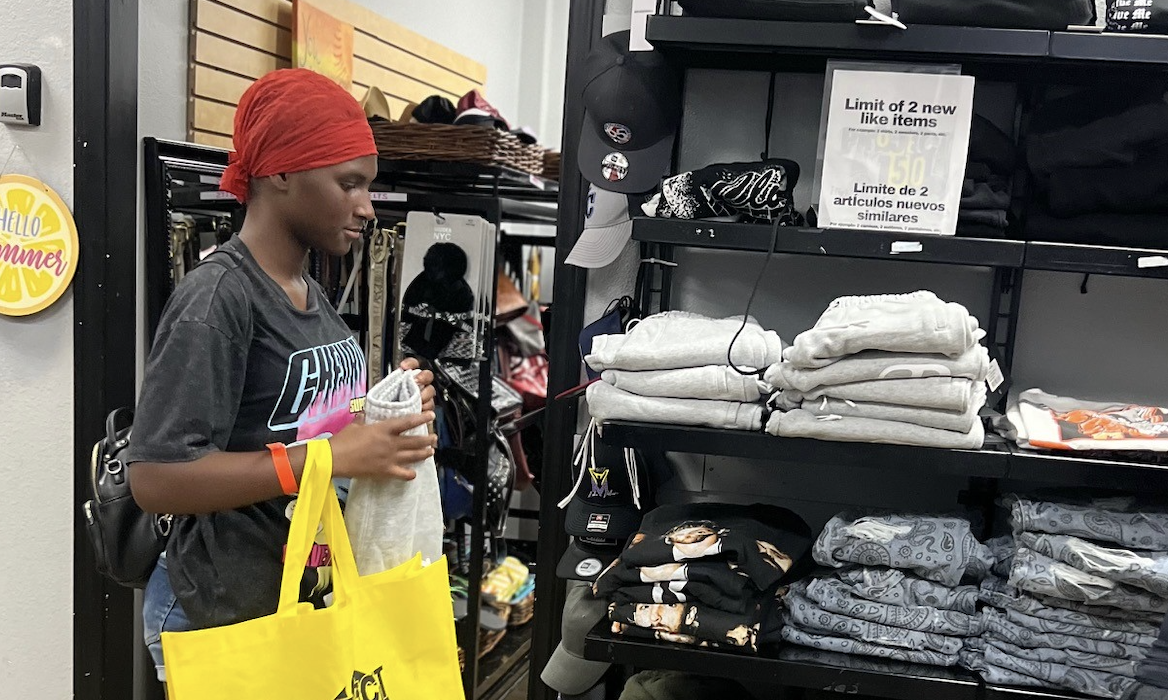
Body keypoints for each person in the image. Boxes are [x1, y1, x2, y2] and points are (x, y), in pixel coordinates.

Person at [126, 68, 438, 686]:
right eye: (349, 184)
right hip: (225, 613)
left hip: (291, 596)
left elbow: (288, 421)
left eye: (368, 187)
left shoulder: (304, 290)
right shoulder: (218, 300)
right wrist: (331, 454)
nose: (367, 207)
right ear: (281, 173)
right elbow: (156, 477)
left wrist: (379, 416)